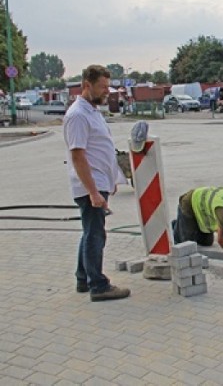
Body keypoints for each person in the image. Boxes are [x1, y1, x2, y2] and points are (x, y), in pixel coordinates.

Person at [63, 64, 131, 301]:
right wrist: (93, 191)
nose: (106, 92)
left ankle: (83, 279)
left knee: (90, 232)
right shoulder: (78, 115)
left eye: (107, 87)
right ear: (86, 85)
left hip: (98, 182)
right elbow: (78, 155)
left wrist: (110, 180)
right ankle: (98, 285)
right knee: (95, 235)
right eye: (102, 87)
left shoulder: (91, 111)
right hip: (89, 185)